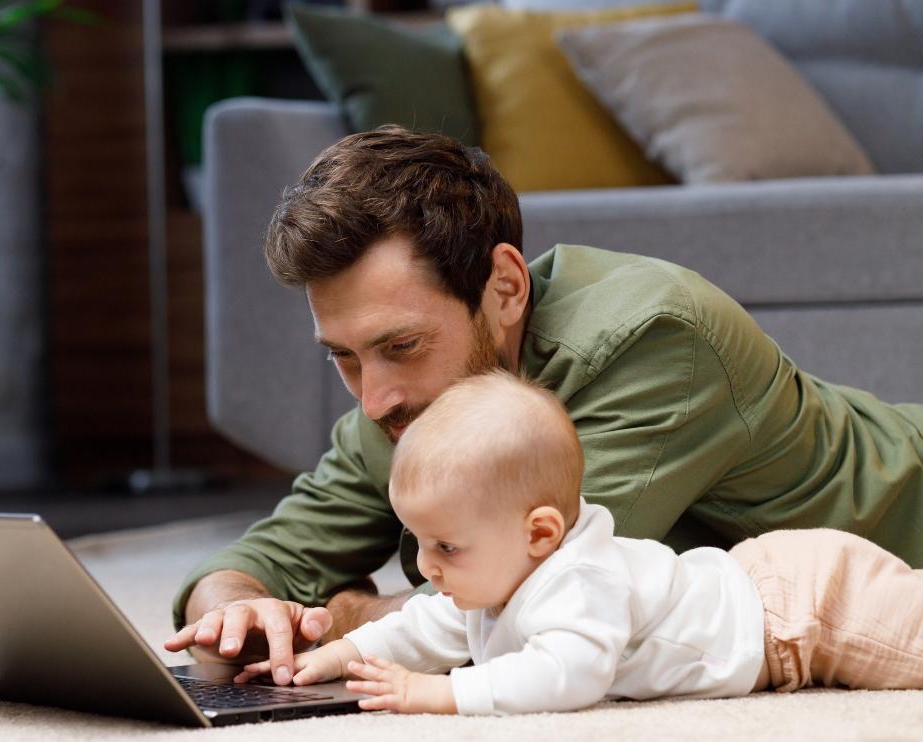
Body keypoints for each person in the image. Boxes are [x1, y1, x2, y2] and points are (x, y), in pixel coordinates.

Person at [164, 126, 923, 687]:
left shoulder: (656, 340)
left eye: (400, 345)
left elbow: (513, 615)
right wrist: (237, 608)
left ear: (505, 287)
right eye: (344, 356)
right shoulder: (402, 408)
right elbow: (262, 559)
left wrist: (345, 611)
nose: (374, 396)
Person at [233, 371, 923, 715]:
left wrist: (438, 696)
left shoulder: (577, 581)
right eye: (415, 541)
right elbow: (424, 626)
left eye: (446, 547)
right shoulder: (492, 574)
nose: (424, 566)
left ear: (540, 533)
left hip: (803, 612)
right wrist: (337, 657)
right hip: (763, 585)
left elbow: (571, 676)